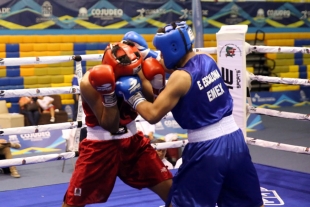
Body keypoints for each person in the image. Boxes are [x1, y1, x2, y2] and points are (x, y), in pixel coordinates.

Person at [115, 22, 264, 207]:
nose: (160, 56)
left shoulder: (180, 79)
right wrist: (147, 55)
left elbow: (153, 114)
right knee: (249, 204)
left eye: (161, 51)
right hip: (235, 142)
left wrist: (133, 95)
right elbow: (177, 69)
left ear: (173, 47)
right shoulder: (206, 58)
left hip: (207, 149)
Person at [62, 40, 172, 207]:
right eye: (125, 76)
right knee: (72, 202)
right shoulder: (88, 83)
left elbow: (153, 103)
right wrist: (109, 94)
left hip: (133, 142)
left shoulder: (135, 69)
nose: (131, 77)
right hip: (99, 146)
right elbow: (110, 125)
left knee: (173, 193)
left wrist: (158, 87)